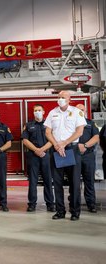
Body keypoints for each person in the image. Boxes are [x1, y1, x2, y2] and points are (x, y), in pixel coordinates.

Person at [44, 91, 86, 221]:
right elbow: (47, 132)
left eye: (63, 97)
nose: (60, 99)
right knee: (57, 182)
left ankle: (75, 212)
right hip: (57, 150)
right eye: (59, 97)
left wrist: (64, 143)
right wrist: (57, 145)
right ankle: (60, 211)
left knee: (74, 182)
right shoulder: (52, 112)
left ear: (69, 99)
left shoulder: (76, 112)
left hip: (71, 149)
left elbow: (80, 131)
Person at [21, 104, 55, 212]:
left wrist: (42, 150)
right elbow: (25, 140)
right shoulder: (28, 125)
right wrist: (36, 150)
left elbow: (52, 140)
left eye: (39, 110)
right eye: (35, 110)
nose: (37, 112)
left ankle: (50, 204)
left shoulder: (49, 125)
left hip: (46, 156)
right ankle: (32, 204)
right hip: (33, 156)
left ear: (44, 112)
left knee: (48, 180)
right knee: (33, 181)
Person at [76, 104, 99, 213]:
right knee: (74, 181)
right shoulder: (71, 123)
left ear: (85, 111)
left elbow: (96, 137)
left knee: (89, 180)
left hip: (88, 155)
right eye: (78, 110)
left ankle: (91, 204)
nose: (80, 111)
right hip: (74, 155)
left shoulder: (90, 123)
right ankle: (74, 204)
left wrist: (85, 146)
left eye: (82, 110)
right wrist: (77, 147)